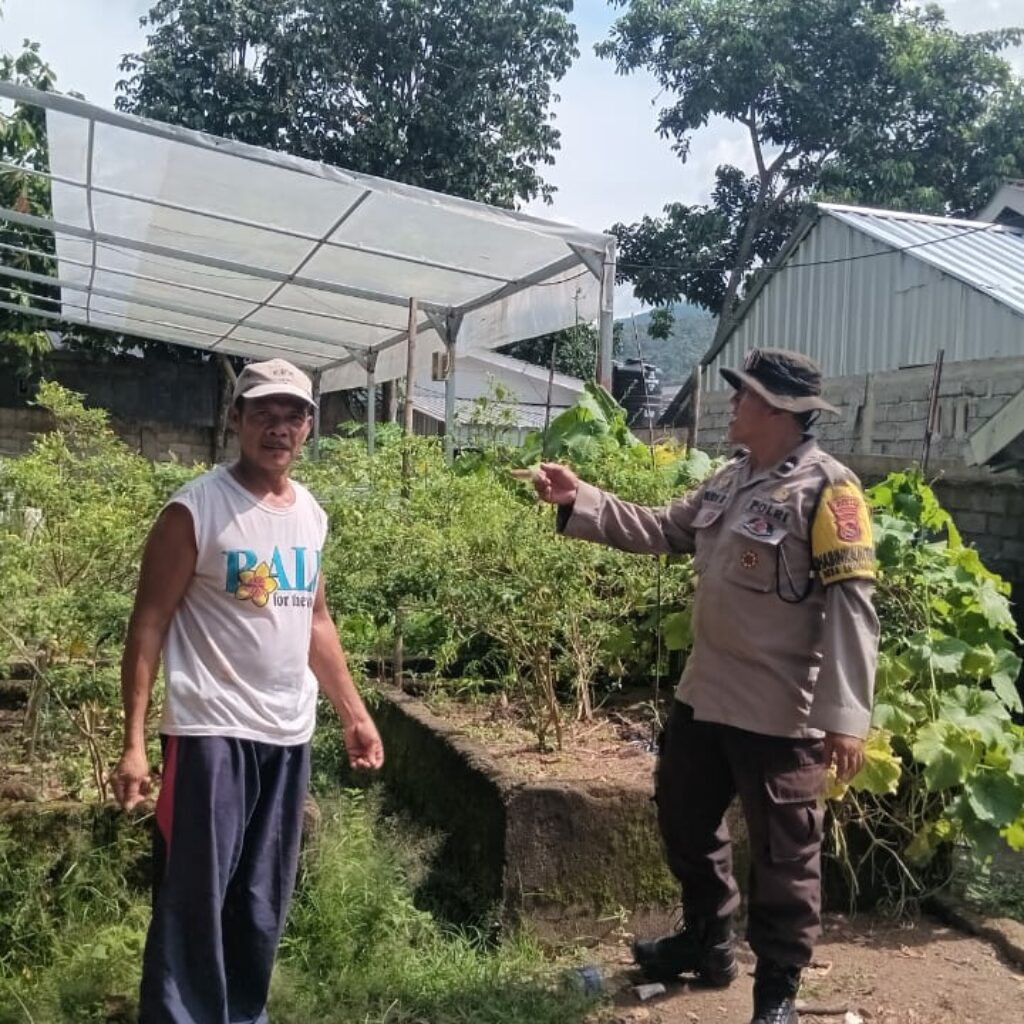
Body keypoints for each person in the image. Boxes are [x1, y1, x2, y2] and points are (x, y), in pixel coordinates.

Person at [531, 348, 879, 1024]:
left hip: (782, 713)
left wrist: (846, 717)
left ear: (776, 410)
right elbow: (666, 528)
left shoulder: (829, 491)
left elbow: (852, 608)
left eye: (743, 395)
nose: (732, 404)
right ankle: (707, 940)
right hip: (707, 694)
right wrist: (583, 500)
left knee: (785, 860)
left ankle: (776, 991)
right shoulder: (729, 481)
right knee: (684, 821)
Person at [112, 358, 384, 1024]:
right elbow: (148, 624)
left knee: (263, 898)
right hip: (209, 735)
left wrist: (354, 712)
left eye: (293, 415)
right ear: (235, 419)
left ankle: (240, 1014)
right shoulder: (196, 508)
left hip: (287, 737)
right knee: (194, 899)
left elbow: (315, 619)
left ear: (310, 427)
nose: (279, 427)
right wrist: (134, 744)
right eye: (263, 412)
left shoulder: (311, 515)